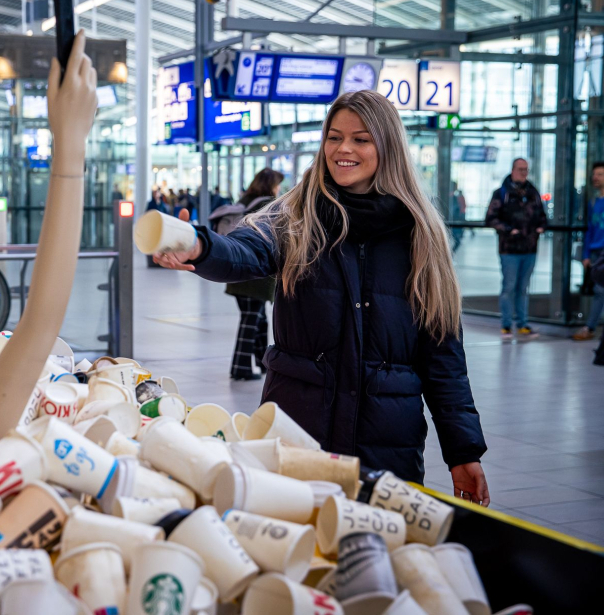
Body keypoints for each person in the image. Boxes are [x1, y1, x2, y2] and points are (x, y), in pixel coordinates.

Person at [154, 90, 489, 503]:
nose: (343, 148)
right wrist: (200, 246)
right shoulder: (296, 216)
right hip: (296, 436)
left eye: (361, 139)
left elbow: (444, 359)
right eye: (334, 137)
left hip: (386, 449)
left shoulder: (422, 237)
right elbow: (244, 251)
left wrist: (463, 451)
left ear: (387, 146)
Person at [209, 168, 284, 380]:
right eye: (277, 184)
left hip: (238, 271)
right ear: (271, 185)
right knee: (250, 321)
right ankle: (240, 367)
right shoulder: (267, 205)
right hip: (256, 277)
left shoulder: (245, 200)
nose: (279, 189)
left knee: (259, 320)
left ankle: (263, 364)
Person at [484, 158, 547, 340]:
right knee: (509, 287)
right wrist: (509, 230)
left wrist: (540, 228)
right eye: (520, 169)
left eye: (526, 169)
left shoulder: (533, 192)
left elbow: (542, 215)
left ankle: (522, 324)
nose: (523, 173)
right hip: (509, 250)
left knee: (522, 288)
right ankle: (506, 325)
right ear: (512, 170)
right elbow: (490, 218)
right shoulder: (502, 193)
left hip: (529, 248)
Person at [574, 162, 604, 341]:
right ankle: (590, 326)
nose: (595, 178)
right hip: (595, 252)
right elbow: (590, 230)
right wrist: (585, 254)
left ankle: (590, 327)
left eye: (600, 174)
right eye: (595, 174)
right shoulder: (593, 202)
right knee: (598, 290)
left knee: (600, 291)